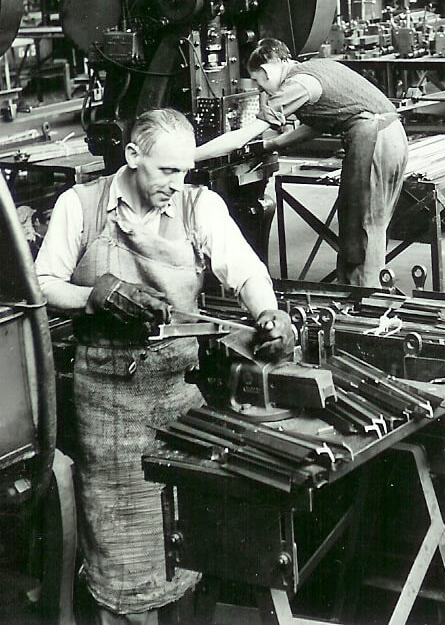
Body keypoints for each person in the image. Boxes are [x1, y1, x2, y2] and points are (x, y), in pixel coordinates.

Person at [35, 108, 295, 624]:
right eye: (166, 171)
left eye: (186, 171)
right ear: (133, 157)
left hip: (177, 399)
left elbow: (244, 271)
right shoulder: (80, 206)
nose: (177, 184)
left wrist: (268, 311)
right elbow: (42, 283)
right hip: (108, 407)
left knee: (187, 544)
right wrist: (96, 296)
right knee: (121, 556)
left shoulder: (201, 207)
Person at [195, 38, 409, 287]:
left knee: (362, 225)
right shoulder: (314, 69)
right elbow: (316, 123)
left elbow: (241, 137)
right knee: (372, 222)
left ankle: (366, 300)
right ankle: (363, 291)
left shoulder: (297, 84)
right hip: (392, 137)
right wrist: (272, 145)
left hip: (373, 141)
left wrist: (190, 155)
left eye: (258, 82)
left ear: (265, 71)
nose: (262, 90)